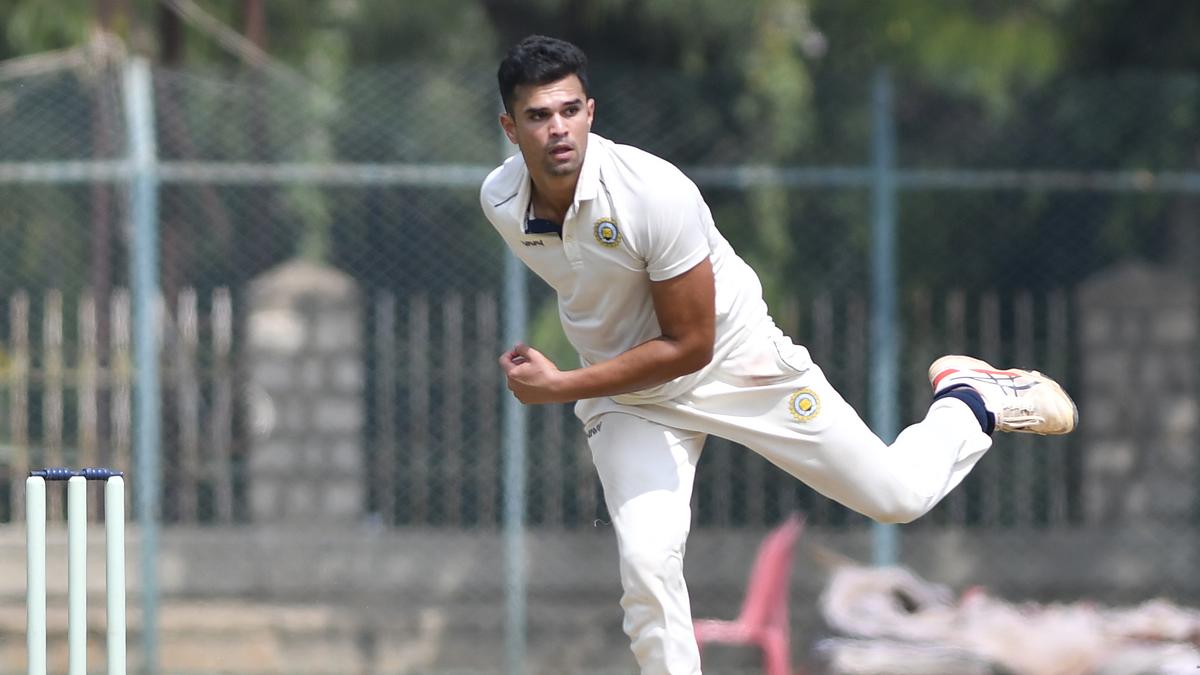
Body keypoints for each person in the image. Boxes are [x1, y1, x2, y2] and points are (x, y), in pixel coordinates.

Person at [479, 34, 1078, 675]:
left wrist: (566, 384)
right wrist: (590, 384)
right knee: (648, 569)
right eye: (539, 116)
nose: (558, 129)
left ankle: (971, 399)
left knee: (897, 497)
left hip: (735, 364)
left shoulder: (654, 193)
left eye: (570, 110)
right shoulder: (501, 201)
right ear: (510, 128)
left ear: (591, 112)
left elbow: (689, 345)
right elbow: (595, 289)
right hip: (630, 397)